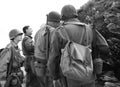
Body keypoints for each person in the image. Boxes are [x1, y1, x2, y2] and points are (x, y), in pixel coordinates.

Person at [47, 5, 110, 87]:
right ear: (75, 14)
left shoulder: (59, 31)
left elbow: (54, 57)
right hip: (89, 74)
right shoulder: (90, 29)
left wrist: (55, 77)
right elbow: (104, 47)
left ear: (62, 16)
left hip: (69, 77)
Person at [34, 11, 61, 87]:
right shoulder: (53, 31)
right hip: (48, 66)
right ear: (54, 22)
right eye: (58, 22)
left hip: (39, 66)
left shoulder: (39, 31)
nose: (59, 24)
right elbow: (54, 51)